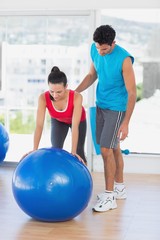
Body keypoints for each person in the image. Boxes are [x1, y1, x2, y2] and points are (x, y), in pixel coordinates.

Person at [75, 25, 136, 212]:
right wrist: (75, 93)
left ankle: (109, 196)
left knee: (105, 149)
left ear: (113, 44)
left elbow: (132, 92)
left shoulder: (124, 59)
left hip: (117, 108)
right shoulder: (95, 49)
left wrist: (126, 122)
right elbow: (92, 75)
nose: (100, 52)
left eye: (105, 49)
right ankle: (119, 188)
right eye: (98, 47)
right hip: (101, 105)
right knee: (114, 147)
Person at [22, 66, 87, 164]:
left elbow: (75, 125)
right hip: (58, 120)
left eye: (59, 92)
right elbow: (39, 125)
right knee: (56, 149)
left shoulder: (76, 97)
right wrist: (34, 149)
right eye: (52, 91)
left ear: (66, 87)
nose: (55, 95)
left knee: (79, 152)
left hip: (78, 122)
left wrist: (73, 152)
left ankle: (85, 177)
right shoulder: (43, 98)